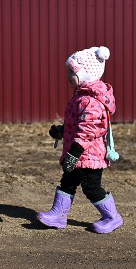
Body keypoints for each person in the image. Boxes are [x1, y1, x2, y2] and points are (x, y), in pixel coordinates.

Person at [37, 46, 123, 234]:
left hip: (88, 155)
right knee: (67, 181)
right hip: (79, 153)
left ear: (85, 74)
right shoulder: (82, 97)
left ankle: (112, 217)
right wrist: (62, 131)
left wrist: (74, 152)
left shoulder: (91, 101)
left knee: (91, 187)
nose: (67, 76)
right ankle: (58, 215)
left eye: (71, 71)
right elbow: (78, 125)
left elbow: (88, 130)